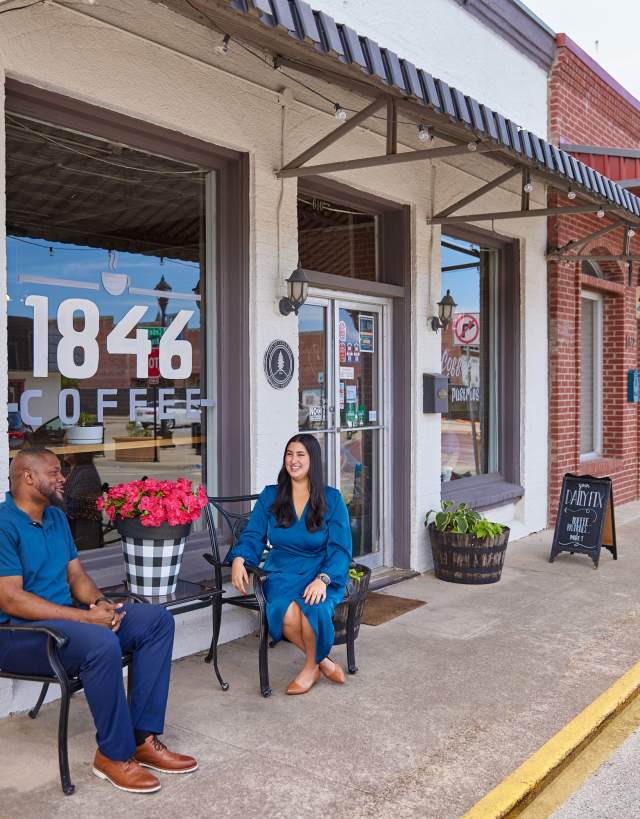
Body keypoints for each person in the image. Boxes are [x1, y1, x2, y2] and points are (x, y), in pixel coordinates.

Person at [0, 447, 197, 794]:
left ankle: (141, 738)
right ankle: (113, 754)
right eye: (54, 472)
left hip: (68, 623)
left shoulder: (57, 518)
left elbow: (76, 575)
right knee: (101, 643)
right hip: (20, 635)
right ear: (27, 477)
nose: (63, 478)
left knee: (155, 621)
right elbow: (12, 599)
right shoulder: (3, 525)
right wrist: (86, 618)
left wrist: (102, 605)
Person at [228, 433, 352, 695]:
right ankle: (322, 661)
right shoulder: (271, 496)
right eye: (289, 454)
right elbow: (253, 535)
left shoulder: (332, 499)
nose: (293, 461)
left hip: (319, 570)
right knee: (287, 613)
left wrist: (323, 579)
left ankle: (309, 667)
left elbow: (341, 550)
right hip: (280, 570)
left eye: (300, 455)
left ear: (312, 461)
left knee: (313, 609)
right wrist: (240, 558)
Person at [63, 451, 103, 549]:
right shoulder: (75, 468)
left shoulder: (86, 472)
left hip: (84, 528)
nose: (65, 450)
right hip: (79, 525)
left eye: (69, 448)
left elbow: (76, 504)